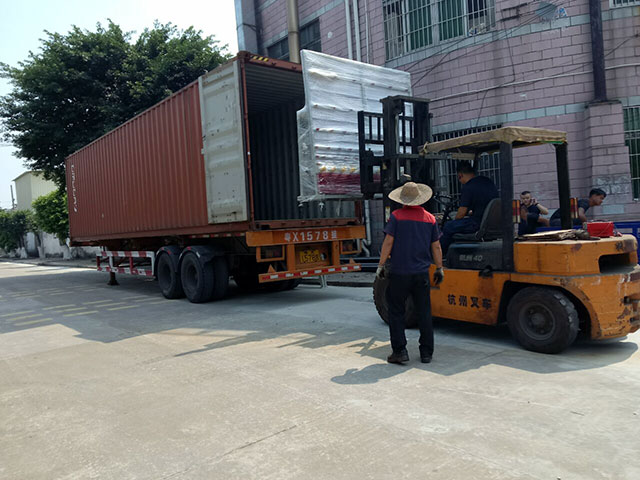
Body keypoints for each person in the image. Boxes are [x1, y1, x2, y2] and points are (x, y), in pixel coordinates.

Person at [376, 182, 444, 365]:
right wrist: (439, 267)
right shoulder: (430, 219)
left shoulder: (396, 217)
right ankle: (426, 353)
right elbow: (436, 246)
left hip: (399, 273)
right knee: (424, 312)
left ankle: (400, 351)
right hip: (421, 274)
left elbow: (388, 242)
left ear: (403, 200)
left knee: (396, 311)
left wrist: (381, 265)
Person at [439, 162, 499, 253]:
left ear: (460, 175)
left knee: (448, 226)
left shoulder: (468, 187)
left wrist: (455, 219)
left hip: (477, 223)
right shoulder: (487, 181)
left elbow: (461, 214)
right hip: (491, 222)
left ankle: (442, 254)